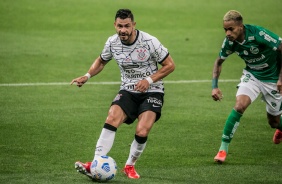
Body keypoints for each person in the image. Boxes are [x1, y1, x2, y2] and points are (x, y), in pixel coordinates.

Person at [71, 9, 175, 179]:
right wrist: (87, 75)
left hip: (153, 91)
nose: (123, 30)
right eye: (120, 26)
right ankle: (95, 164)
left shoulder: (149, 41)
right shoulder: (112, 42)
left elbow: (170, 65)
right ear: (115, 25)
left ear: (134, 25)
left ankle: (130, 166)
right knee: (112, 117)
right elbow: (101, 60)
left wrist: (148, 80)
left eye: (127, 26)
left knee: (142, 131)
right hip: (128, 90)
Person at [212, 10, 282, 163]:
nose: (228, 33)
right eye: (225, 29)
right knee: (239, 106)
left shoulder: (259, 34)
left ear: (241, 27)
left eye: (231, 29)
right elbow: (218, 61)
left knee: (274, 122)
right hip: (252, 76)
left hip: (272, 79)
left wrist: (281, 78)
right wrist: (214, 86)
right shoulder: (230, 42)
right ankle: (223, 150)